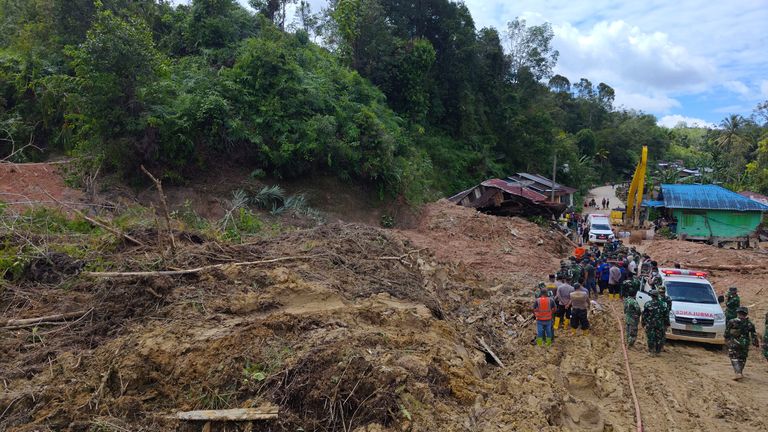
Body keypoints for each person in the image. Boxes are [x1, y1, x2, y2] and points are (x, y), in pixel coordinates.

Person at [725, 307, 759, 380]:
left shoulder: (732, 321)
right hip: (745, 343)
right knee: (742, 358)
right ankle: (740, 372)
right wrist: (755, 343)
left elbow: (726, 333)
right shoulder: (750, 324)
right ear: (746, 314)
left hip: (734, 342)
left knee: (734, 357)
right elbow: (754, 335)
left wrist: (726, 340)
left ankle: (738, 373)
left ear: (737, 313)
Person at [641, 290, 670, 356]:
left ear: (651, 296)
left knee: (650, 337)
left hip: (650, 324)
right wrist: (667, 324)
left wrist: (643, 323)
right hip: (660, 324)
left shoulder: (648, 304)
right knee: (659, 338)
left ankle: (651, 351)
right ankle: (658, 352)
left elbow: (644, 315)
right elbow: (666, 316)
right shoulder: (664, 304)